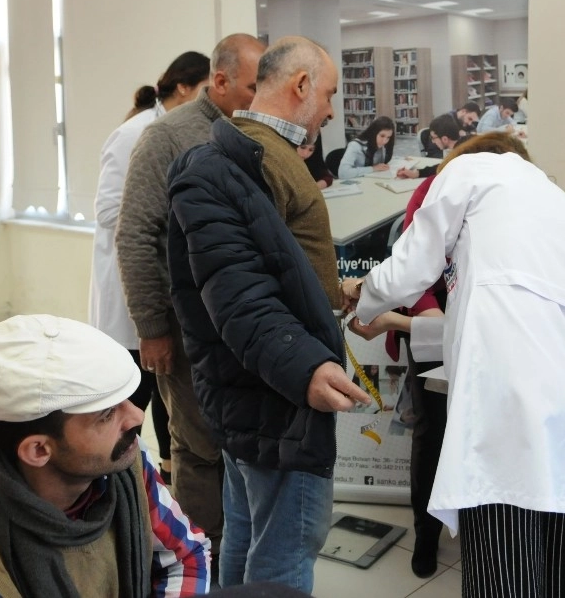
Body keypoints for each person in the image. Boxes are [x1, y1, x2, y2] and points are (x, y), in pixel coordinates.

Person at [342, 133, 565, 597]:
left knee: (502, 561)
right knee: (563, 564)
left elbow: (411, 267)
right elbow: (475, 321)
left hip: (510, 404)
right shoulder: (555, 199)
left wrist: (365, 299)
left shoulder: (469, 172)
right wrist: (391, 318)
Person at [165, 35, 372, 594]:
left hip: (255, 382)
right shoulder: (228, 165)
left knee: (249, 531)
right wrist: (306, 368)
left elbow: (275, 264)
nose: (330, 110)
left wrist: (332, 290)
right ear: (301, 86)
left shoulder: (257, 158)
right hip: (274, 389)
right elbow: (239, 291)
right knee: (284, 548)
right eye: (328, 94)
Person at [115, 33, 266, 566]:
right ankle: (199, 557)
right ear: (219, 82)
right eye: (252, 85)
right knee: (199, 448)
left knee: (242, 446)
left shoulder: (255, 132)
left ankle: (239, 554)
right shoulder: (168, 137)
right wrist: (152, 325)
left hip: (246, 326)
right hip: (187, 329)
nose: (260, 95)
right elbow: (135, 234)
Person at [0, 314, 211, 597]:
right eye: (107, 414)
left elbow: (187, 555)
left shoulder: (127, 468)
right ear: (39, 450)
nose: (136, 416)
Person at [90, 50, 210, 486]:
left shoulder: (184, 131)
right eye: (203, 90)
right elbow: (109, 212)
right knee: (132, 402)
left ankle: (162, 484)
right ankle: (116, 485)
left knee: (169, 402)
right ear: (183, 87)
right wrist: (163, 214)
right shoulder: (136, 134)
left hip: (170, 289)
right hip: (135, 289)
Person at [344, 169, 448, 578]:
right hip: (430, 320)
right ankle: (426, 534)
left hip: (480, 321)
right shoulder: (433, 190)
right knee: (432, 431)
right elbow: (410, 263)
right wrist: (425, 315)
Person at [398, 114, 463, 179]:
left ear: (445, 139)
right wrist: (417, 173)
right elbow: (443, 167)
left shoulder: (462, 156)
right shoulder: (457, 148)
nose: (432, 141)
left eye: (433, 138)